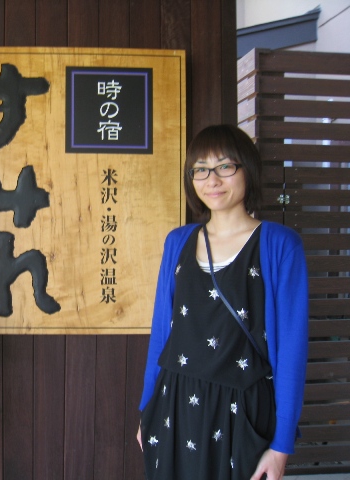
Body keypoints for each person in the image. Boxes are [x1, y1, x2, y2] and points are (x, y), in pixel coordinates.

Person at [136, 124, 308, 480]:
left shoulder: (279, 244)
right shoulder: (178, 241)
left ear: (247, 169)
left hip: (242, 409)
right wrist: (146, 409)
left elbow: (292, 348)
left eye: (224, 166)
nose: (211, 179)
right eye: (200, 169)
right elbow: (162, 332)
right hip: (175, 403)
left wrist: (281, 446)